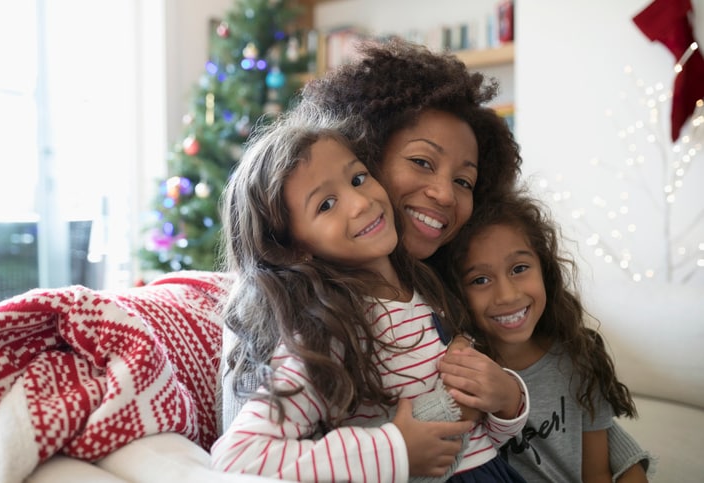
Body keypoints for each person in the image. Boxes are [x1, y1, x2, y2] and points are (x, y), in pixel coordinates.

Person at [221, 37, 651, 479]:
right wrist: (423, 422)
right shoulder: (294, 311)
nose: (445, 194)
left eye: (464, 181)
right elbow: (248, 457)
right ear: (367, 149)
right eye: (422, 162)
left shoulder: (448, 279)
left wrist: (511, 402)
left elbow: (560, 398)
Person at [211, 101, 530, 482]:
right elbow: (238, 456)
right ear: (294, 247)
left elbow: (476, 434)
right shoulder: (327, 327)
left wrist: (507, 401)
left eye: (358, 179)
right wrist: (394, 449)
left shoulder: (423, 289)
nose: (362, 203)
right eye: (326, 205)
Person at [443, 191, 650, 482]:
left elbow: (597, 474)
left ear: (545, 270)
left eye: (519, 269)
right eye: (480, 280)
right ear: (456, 292)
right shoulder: (461, 370)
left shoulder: (579, 358)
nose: (507, 295)